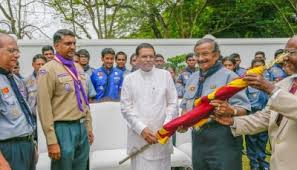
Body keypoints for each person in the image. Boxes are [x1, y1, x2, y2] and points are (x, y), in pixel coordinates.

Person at [210, 35, 297, 170]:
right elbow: (265, 118)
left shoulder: (276, 88)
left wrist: (270, 89)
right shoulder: (285, 84)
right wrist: (233, 121)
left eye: (290, 53)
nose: (284, 57)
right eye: (284, 52)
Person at [180, 38, 251, 170]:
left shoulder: (230, 77)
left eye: (205, 54)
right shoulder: (192, 78)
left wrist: (230, 110)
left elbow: (244, 108)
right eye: (197, 54)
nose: (200, 58)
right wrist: (184, 120)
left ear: (216, 55)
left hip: (223, 139)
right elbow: (185, 106)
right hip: (198, 140)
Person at [37, 29, 93, 170]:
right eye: (68, 43)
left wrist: (89, 127)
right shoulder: (48, 70)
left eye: (74, 43)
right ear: (56, 46)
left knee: (82, 166)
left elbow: (84, 100)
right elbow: (44, 108)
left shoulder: (78, 67)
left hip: (82, 127)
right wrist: (51, 141)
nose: (73, 47)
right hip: (63, 129)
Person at [121, 43, 178, 170]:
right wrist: (142, 130)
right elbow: (126, 108)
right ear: (136, 58)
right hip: (139, 137)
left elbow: (173, 103)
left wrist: (167, 126)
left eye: (151, 56)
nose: (148, 60)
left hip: (162, 136)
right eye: (144, 56)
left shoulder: (165, 75)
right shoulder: (129, 79)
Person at [0, 33, 36, 170]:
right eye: (11, 50)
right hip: (8, 149)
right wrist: (1, 162)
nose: (17, 55)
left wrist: (31, 145)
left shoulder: (15, 79)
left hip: (26, 146)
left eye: (17, 50)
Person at [244, 59, 270, 170]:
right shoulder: (247, 83)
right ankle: (254, 165)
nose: (258, 68)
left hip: (265, 116)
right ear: (252, 68)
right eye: (256, 66)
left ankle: (263, 164)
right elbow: (244, 101)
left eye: (261, 66)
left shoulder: (268, 83)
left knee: (262, 142)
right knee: (251, 142)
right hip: (252, 115)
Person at [25, 54, 47, 123]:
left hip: (47, 116)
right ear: (33, 65)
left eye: (43, 64)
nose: (41, 66)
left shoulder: (50, 79)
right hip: (32, 118)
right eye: (38, 64)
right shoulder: (26, 81)